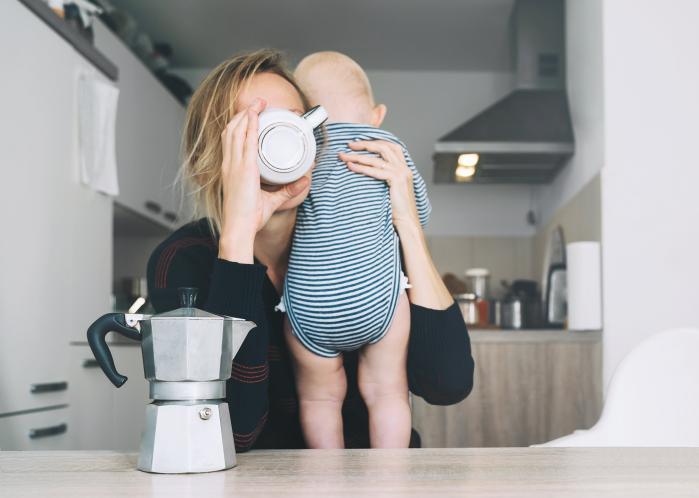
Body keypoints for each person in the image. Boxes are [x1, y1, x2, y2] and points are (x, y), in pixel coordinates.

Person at [146, 49, 474, 451]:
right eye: (257, 129)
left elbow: (447, 384)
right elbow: (233, 432)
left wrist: (406, 222)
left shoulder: (362, 235)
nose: (287, 140)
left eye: (297, 122)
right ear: (209, 161)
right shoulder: (181, 260)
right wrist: (238, 237)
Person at [278, 51, 429, 448]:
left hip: (311, 304)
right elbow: (418, 214)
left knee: (319, 397)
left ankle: (327, 478)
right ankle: (389, 477)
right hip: (374, 299)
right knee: (388, 393)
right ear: (377, 114)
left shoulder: (303, 150)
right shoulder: (387, 146)